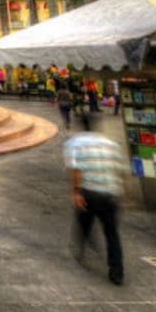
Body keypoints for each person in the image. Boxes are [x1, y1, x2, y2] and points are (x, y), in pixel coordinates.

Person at [64, 113, 127, 285]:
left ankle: (82, 248)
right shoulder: (110, 144)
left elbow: (76, 170)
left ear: (81, 127)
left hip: (89, 192)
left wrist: (77, 192)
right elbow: (121, 170)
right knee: (112, 233)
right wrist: (121, 193)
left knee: (84, 221)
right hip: (110, 193)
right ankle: (117, 272)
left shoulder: (74, 143)